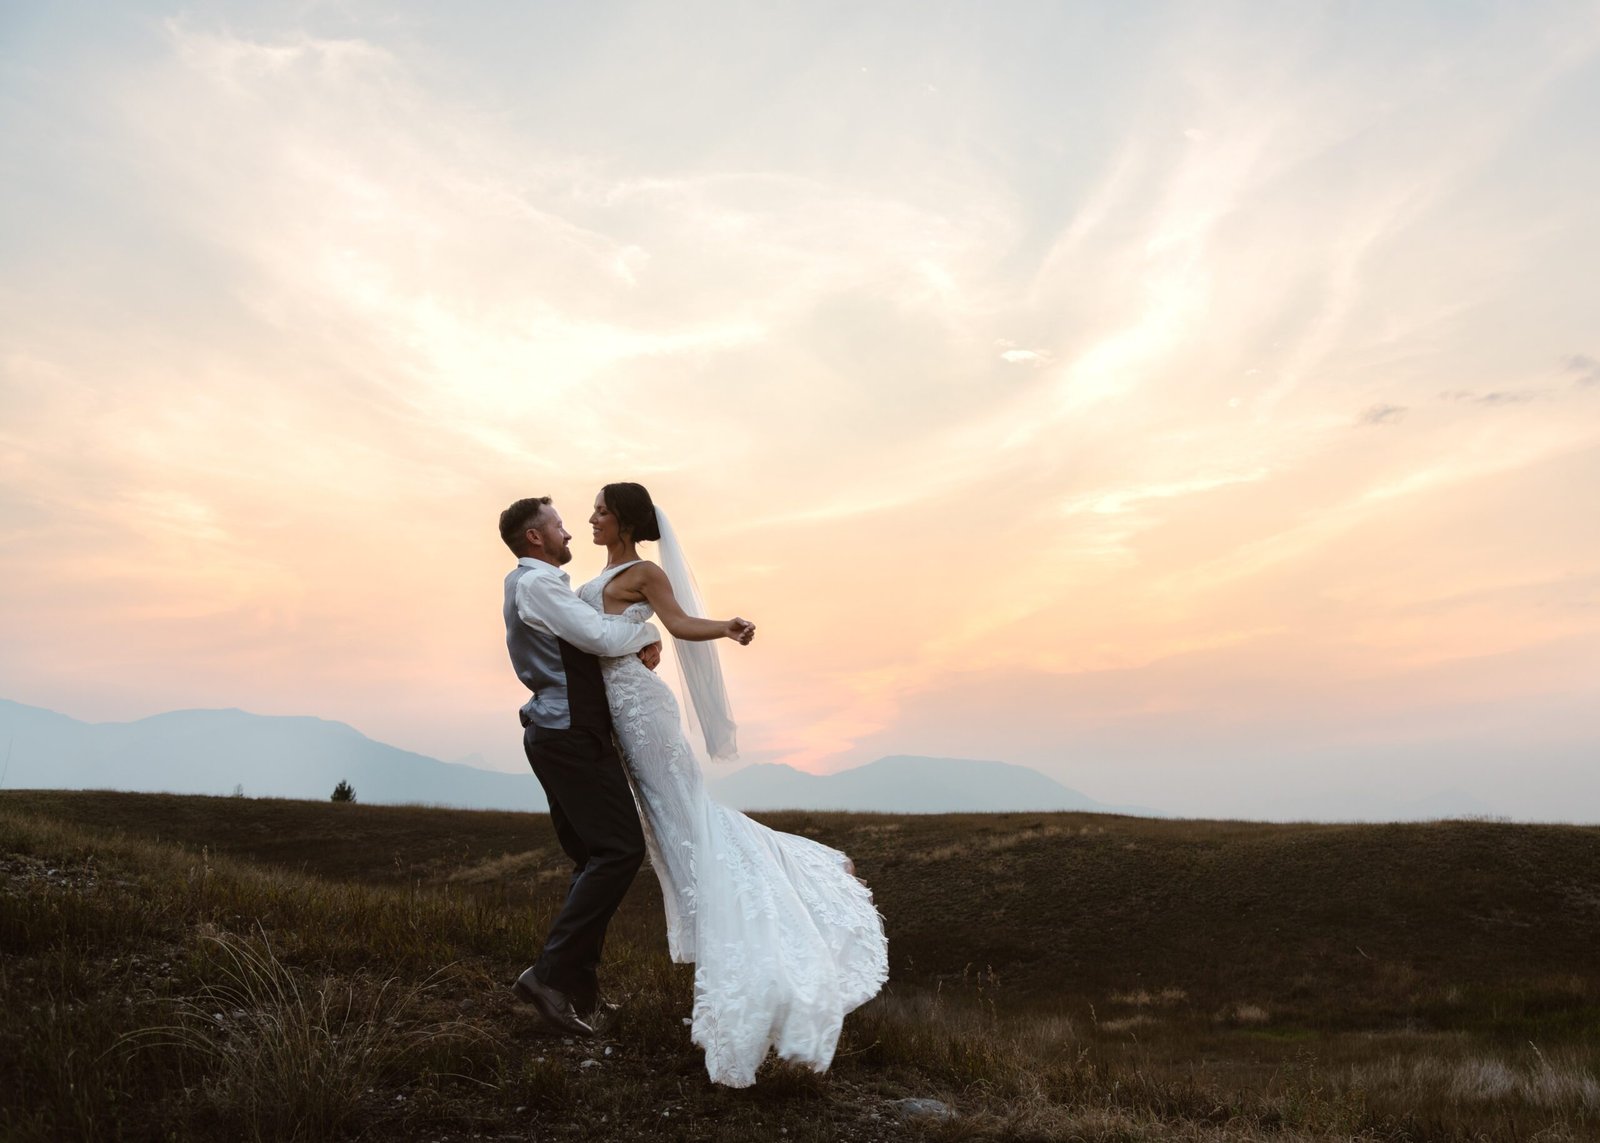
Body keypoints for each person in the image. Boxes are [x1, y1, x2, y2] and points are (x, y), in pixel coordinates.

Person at [578, 481, 888, 1088]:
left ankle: (792, 885)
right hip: (618, 711)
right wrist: (640, 640)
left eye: (601, 511)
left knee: (687, 815)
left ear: (625, 522)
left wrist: (724, 626)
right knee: (670, 822)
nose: (591, 518)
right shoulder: (600, 577)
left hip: (642, 712)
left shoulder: (644, 573)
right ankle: (738, 896)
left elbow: (677, 622)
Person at [498, 495, 664, 1037]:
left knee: (593, 856)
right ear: (535, 537)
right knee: (620, 850)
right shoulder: (537, 585)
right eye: (559, 526)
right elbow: (597, 637)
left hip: (558, 732)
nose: (570, 533)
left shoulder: (533, 584)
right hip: (569, 734)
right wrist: (649, 631)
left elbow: (587, 640)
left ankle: (578, 987)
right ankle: (548, 977)